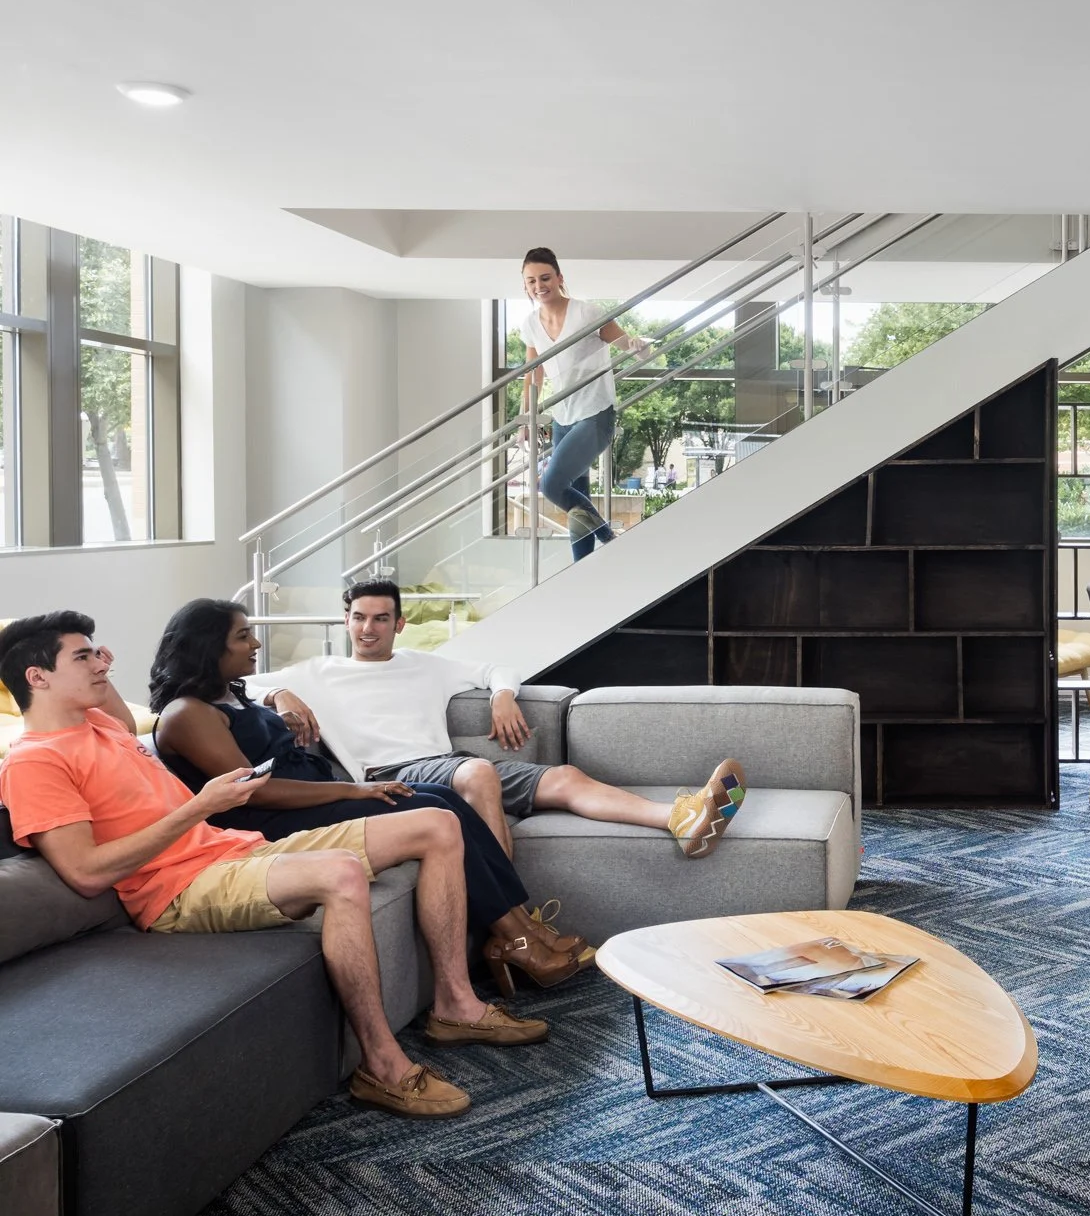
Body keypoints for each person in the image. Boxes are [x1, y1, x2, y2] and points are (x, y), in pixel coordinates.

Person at [0, 612, 548, 1120]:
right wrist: (198, 808)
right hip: (177, 889)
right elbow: (87, 872)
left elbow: (117, 693)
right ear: (37, 677)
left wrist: (92, 655)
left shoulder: (101, 726)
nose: (100, 664)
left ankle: (455, 1004)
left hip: (232, 851)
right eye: (83, 658)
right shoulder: (35, 762)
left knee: (436, 822)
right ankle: (381, 1065)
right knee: (339, 872)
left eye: (100, 655)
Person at [147, 598, 591, 994]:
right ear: (209, 647)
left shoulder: (234, 694)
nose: (256, 643)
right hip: (272, 820)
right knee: (433, 806)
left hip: (310, 796)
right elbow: (253, 793)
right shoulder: (187, 715)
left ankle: (520, 928)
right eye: (243, 636)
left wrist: (280, 698)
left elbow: (267, 709)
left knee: (443, 795)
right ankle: (517, 938)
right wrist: (353, 788)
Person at [244, 580, 745, 860]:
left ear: (398, 624)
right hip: (385, 777)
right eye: (358, 617)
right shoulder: (317, 671)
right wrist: (283, 692)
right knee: (478, 771)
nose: (367, 628)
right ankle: (510, 916)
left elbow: (496, 668)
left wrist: (504, 696)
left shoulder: (428, 664)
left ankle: (681, 818)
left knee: (566, 777)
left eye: (379, 619)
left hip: (443, 764)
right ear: (346, 620)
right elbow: (237, 683)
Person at [520, 246, 649, 562]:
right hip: (562, 416)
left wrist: (636, 346)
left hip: (595, 413)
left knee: (551, 485)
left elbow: (623, 341)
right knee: (577, 496)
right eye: (531, 281)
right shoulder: (530, 324)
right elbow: (532, 373)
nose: (539, 286)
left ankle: (610, 539)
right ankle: (585, 568)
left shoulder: (587, 313)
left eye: (545, 278)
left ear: (559, 277)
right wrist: (526, 416)